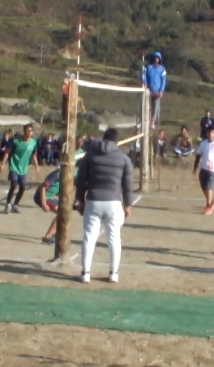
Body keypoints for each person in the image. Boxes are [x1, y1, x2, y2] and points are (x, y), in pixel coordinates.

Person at [74, 128, 134, 284]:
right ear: (117, 141)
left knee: (89, 237)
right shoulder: (124, 158)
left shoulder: (90, 155)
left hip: (93, 200)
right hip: (114, 202)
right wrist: (128, 204)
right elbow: (128, 184)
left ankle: (85, 273)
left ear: (103, 138)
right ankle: (113, 273)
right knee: (114, 238)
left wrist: (79, 199)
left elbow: (81, 180)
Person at [33, 146, 83, 243]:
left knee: (66, 212)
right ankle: (47, 237)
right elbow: (43, 187)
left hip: (51, 196)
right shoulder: (58, 173)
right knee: (62, 213)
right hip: (44, 196)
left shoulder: (73, 173)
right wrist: (44, 203)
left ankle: (56, 232)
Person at [1, 123, 40, 214]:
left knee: (22, 187)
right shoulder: (16, 141)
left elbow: (34, 155)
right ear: (24, 131)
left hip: (23, 168)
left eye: (31, 131)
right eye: (28, 131)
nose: (30, 132)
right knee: (14, 184)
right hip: (14, 165)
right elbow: (7, 152)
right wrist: (3, 164)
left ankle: (15, 205)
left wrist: (37, 166)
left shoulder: (33, 142)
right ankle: (8, 204)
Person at [193, 127, 214, 214]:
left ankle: (208, 206)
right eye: (209, 132)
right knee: (204, 187)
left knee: (208, 187)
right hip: (204, 168)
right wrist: (195, 168)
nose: (210, 134)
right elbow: (198, 155)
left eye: (212, 132)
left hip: (213, 170)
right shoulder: (203, 143)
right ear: (206, 133)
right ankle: (213, 201)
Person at [142, 51, 167, 128]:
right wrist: (145, 83)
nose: (156, 59)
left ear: (159, 59)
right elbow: (144, 75)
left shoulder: (162, 69)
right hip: (148, 90)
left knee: (155, 106)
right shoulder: (148, 67)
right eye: (155, 58)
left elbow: (163, 81)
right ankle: (145, 119)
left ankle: (153, 121)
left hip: (157, 91)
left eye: (158, 58)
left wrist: (161, 91)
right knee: (146, 104)